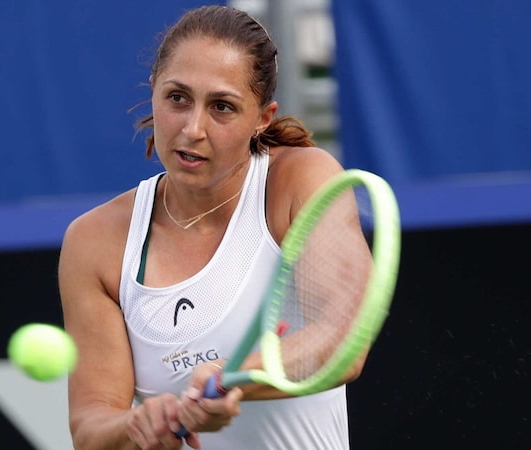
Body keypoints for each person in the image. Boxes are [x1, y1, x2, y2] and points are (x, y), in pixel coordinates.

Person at [58, 5, 366, 449]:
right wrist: (140, 424)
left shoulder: (302, 181)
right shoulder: (94, 241)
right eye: (177, 98)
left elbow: (344, 343)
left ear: (262, 117)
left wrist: (233, 378)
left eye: (222, 107)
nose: (192, 128)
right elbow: (91, 426)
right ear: (153, 92)